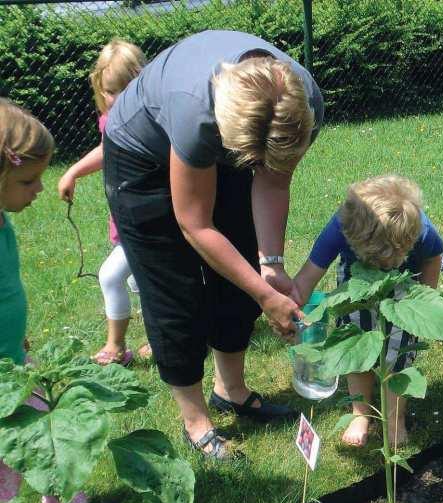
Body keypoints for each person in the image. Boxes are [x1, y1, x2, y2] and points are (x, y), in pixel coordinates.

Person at [103, 30, 324, 459]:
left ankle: (232, 390)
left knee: (241, 262)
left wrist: (270, 265)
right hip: (140, 159)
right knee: (175, 290)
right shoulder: (195, 110)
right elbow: (194, 224)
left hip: (228, 134)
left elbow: (273, 180)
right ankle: (196, 421)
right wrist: (264, 295)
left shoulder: (301, 105)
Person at [0, 99, 93, 503]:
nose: (38, 190)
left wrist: (19, 338)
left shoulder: (4, 223)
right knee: (8, 461)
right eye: (27, 180)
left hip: (15, 359)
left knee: (52, 433)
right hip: (1, 377)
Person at [292, 175, 443, 447]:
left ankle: (394, 420)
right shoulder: (342, 224)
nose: (379, 264)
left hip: (402, 292)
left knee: (397, 359)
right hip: (356, 290)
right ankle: (360, 413)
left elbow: (433, 258)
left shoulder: (420, 229)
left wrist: (424, 302)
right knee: (356, 349)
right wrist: (290, 310)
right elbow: (308, 276)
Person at [58, 39, 151, 366]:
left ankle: (115, 347)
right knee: (140, 281)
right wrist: (73, 172)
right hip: (124, 217)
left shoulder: (149, 121)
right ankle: (161, 336)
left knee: (111, 276)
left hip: (146, 220)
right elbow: (106, 150)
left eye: (124, 90)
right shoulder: (110, 120)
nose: (116, 99)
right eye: (109, 91)